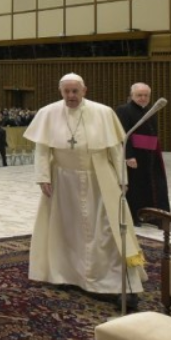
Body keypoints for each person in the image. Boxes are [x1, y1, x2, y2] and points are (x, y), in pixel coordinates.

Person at [25, 73, 146, 310]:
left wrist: (122, 178)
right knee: (65, 230)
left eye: (75, 91)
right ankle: (65, 274)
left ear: (84, 90)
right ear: (61, 91)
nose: (71, 96)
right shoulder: (48, 112)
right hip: (62, 180)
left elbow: (115, 149)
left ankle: (116, 282)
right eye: (66, 91)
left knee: (106, 231)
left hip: (99, 178)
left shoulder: (103, 112)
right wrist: (43, 176)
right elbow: (42, 149)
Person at [115, 83, 171, 232]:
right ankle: (135, 217)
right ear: (132, 95)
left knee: (158, 187)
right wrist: (128, 156)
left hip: (151, 156)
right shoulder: (123, 110)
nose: (143, 98)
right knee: (136, 187)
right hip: (135, 155)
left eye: (146, 95)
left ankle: (162, 219)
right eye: (139, 95)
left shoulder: (150, 110)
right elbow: (123, 133)